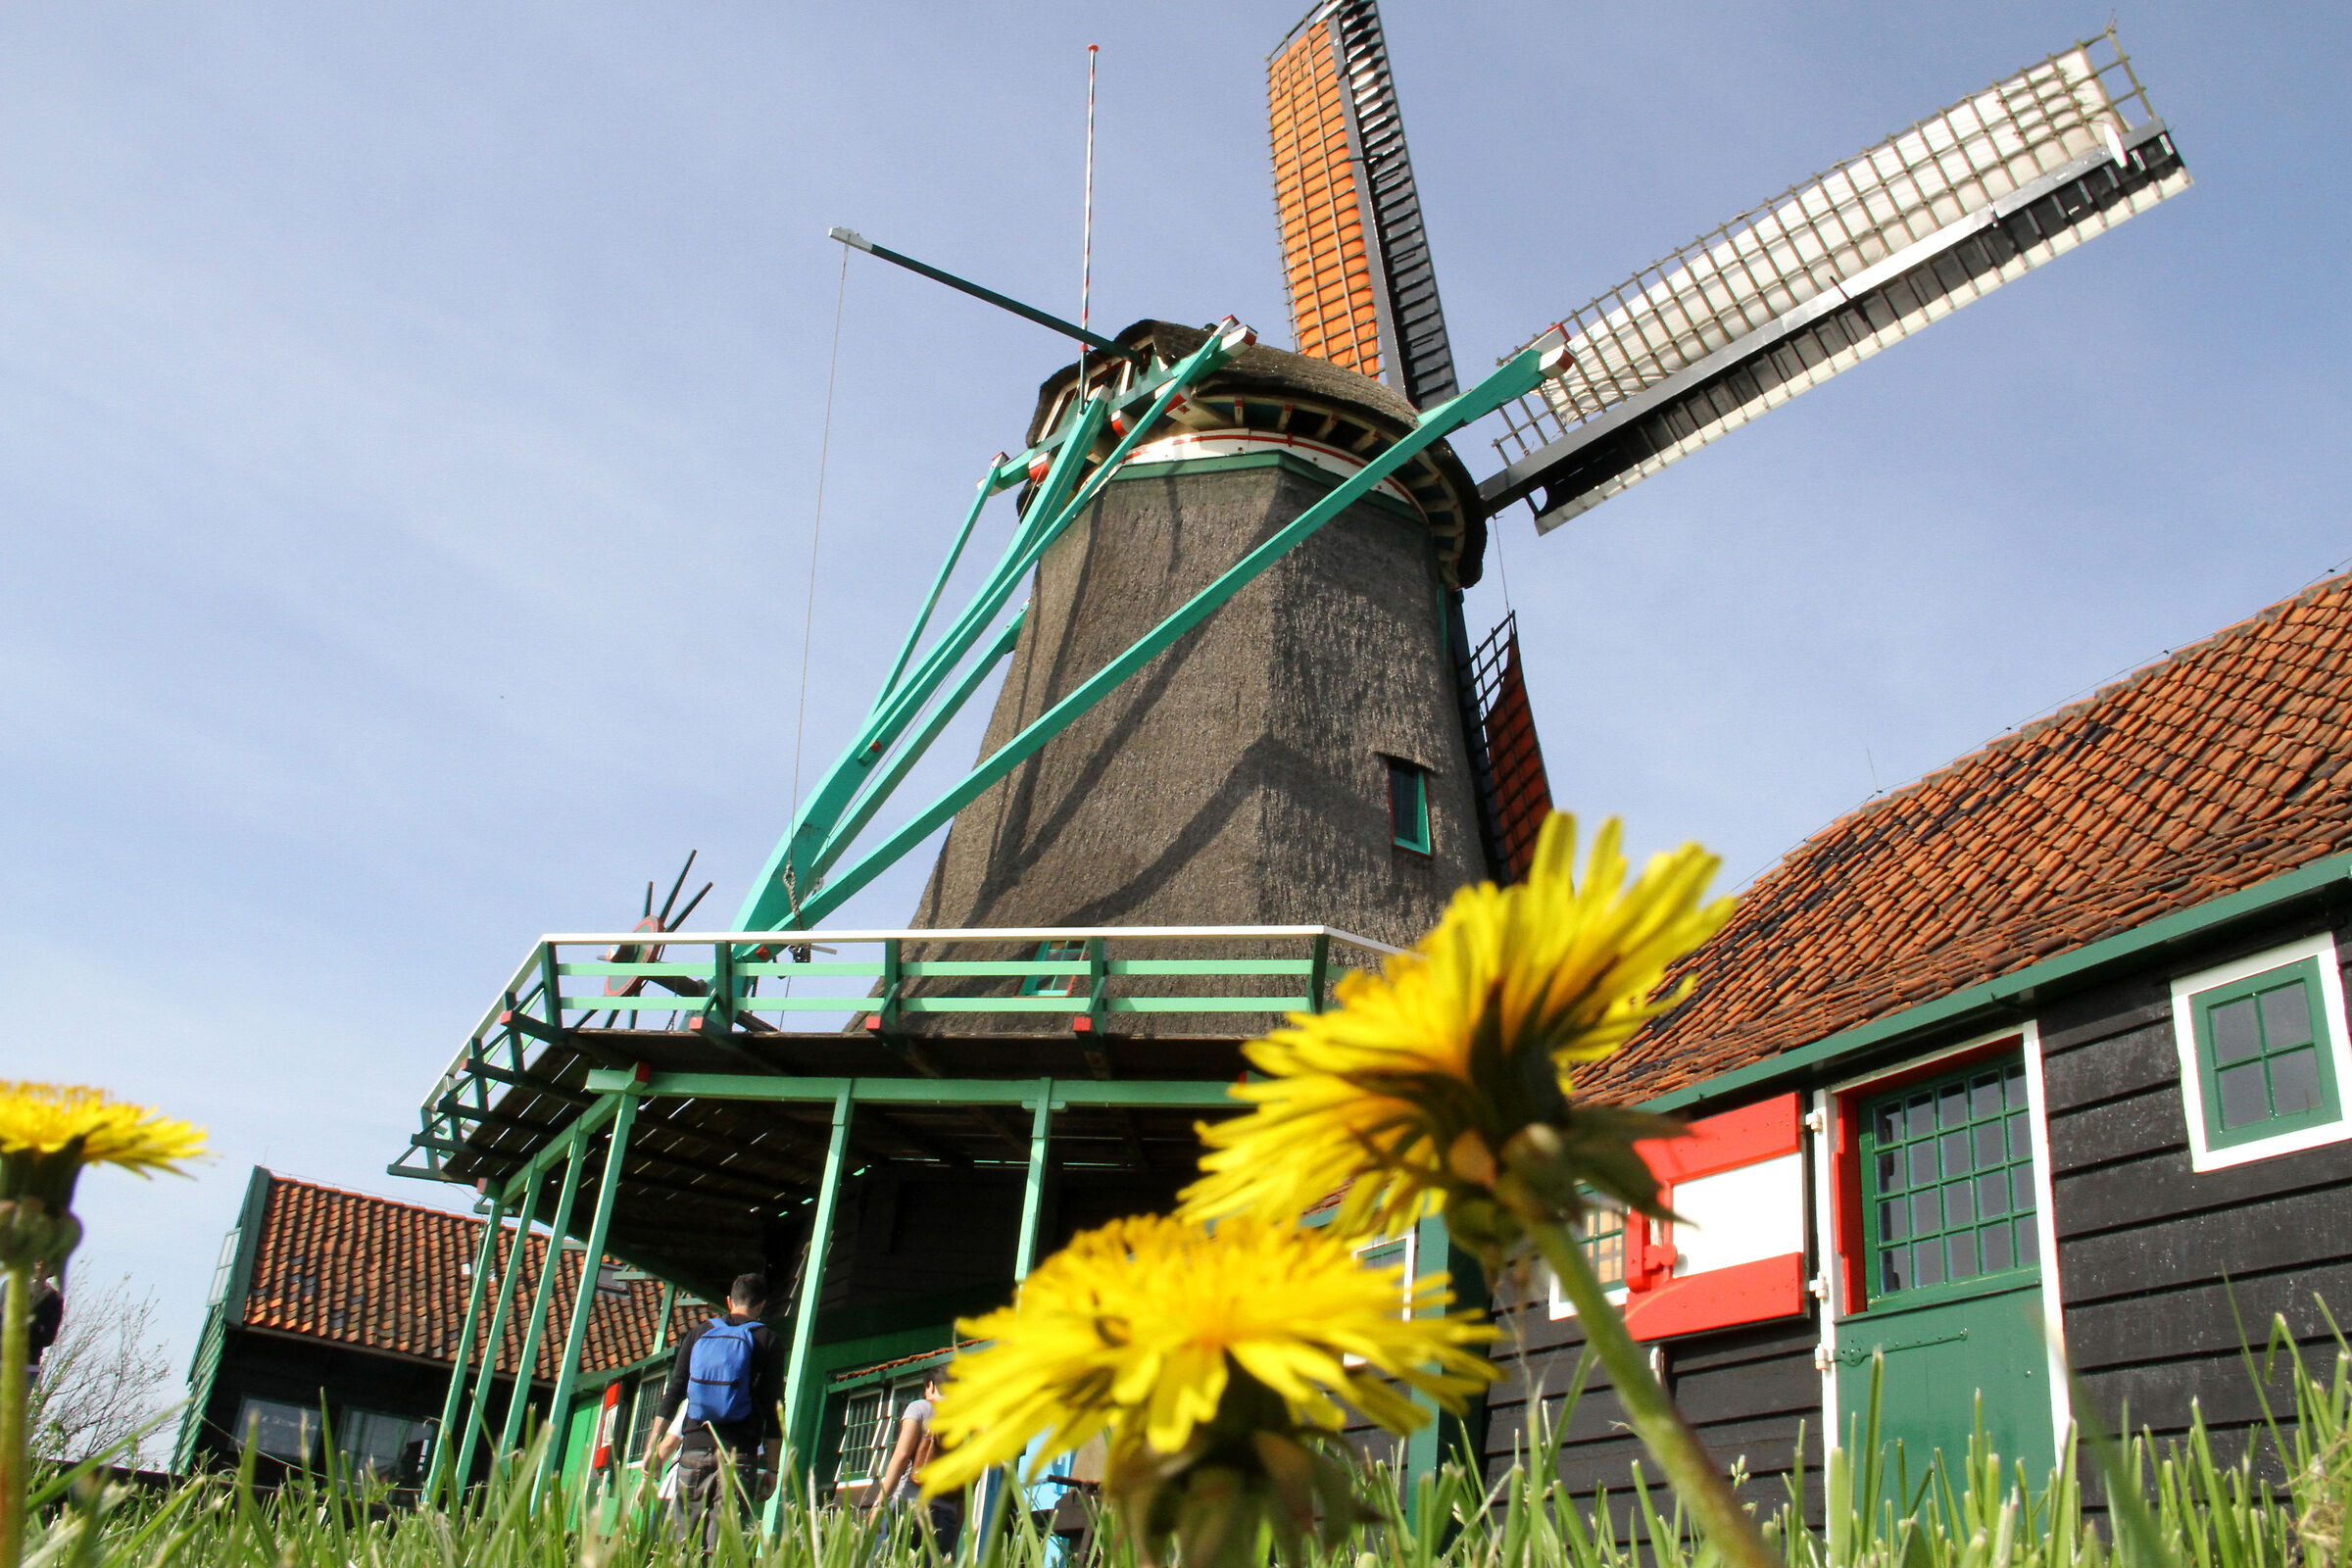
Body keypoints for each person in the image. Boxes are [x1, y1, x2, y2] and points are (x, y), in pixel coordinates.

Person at [650, 1274, 783, 1546]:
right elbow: (773, 1408)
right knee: (722, 1547)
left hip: (693, 1449)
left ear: (728, 1301)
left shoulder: (699, 1333)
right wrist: (772, 1468)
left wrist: (652, 1447)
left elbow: (674, 1393)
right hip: (739, 1454)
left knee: (680, 1543)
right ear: (762, 1304)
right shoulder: (769, 1341)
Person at [867, 1377, 959, 1555]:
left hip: (909, 1507)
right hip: (946, 1517)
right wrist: (955, 1541)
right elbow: (965, 1491)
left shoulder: (920, 1407)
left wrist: (879, 1506)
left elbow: (901, 1456)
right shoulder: (969, 1424)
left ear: (931, 1385)